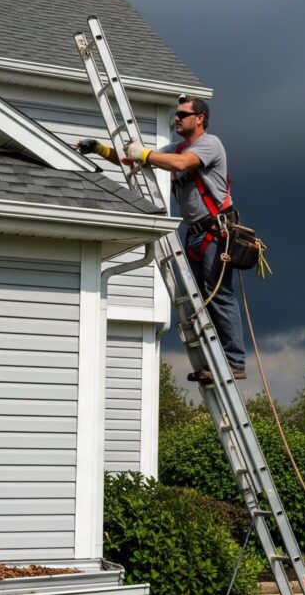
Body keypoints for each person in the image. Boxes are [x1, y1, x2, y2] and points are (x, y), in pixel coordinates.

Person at [74, 96, 247, 382]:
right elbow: (133, 160)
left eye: (183, 114)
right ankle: (215, 361)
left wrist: (144, 154)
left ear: (199, 118)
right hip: (195, 234)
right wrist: (100, 149)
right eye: (176, 114)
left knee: (219, 296)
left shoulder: (210, 144)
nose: (177, 118)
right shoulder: (175, 148)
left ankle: (234, 361)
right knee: (203, 301)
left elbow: (181, 163)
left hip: (215, 233)